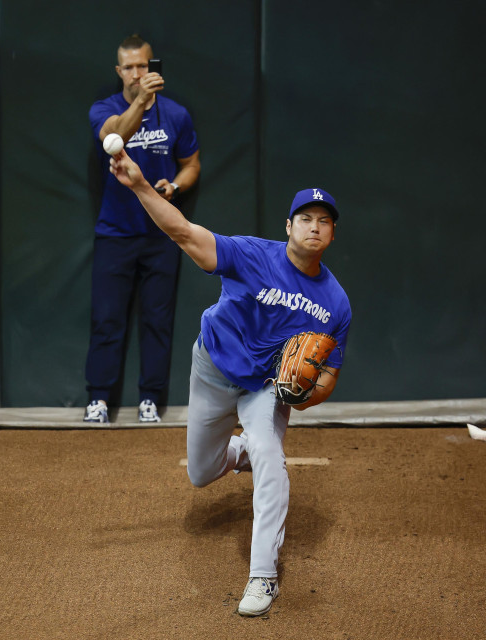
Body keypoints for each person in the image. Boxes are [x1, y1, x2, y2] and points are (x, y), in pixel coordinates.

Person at [107, 149, 351, 616]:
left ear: (333, 232)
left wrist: (302, 396)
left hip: (264, 387)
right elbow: (181, 231)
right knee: (201, 473)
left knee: (270, 453)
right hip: (213, 368)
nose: (314, 226)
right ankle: (238, 454)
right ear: (288, 226)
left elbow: (328, 377)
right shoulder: (249, 255)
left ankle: (264, 576)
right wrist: (139, 184)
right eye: (305, 218)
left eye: (324, 220)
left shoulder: (337, 304)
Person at [84, 34, 201, 424]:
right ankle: (99, 399)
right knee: (107, 318)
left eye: (143, 66)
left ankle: (150, 398)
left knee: (157, 319)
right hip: (115, 231)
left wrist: (176, 185)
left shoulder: (177, 115)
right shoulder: (104, 108)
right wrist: (139, 101)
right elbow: (114, 139)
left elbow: (191, 163)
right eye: (129, 67)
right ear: (119, 71)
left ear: (154, 67)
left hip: (161, 233)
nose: (137, 73)